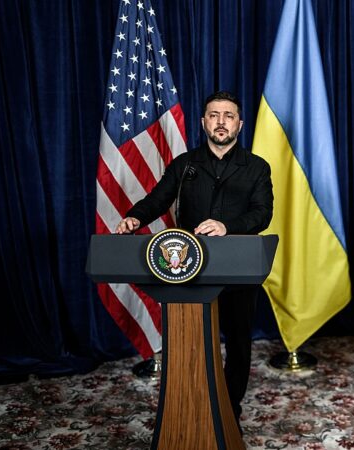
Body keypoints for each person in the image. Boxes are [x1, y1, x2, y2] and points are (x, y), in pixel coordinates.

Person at [115, 90, 273, 431]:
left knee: (239, 339)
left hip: (237, 268)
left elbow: (263, 214)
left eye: (228, 115)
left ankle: (231, 406)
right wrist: (134, 218)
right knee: (192, 340)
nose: (221, 121)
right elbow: (158, 199)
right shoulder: (184, 164)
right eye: (214, 115)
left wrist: (226, 226)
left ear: (239, 124)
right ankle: (191, 401)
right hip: (188, 269)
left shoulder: (257, 168)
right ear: (203, 122)